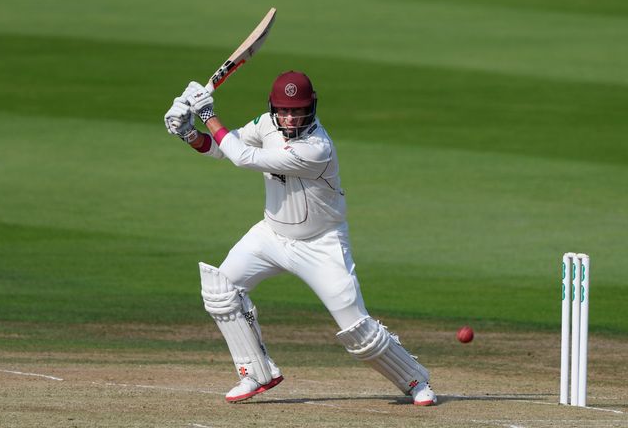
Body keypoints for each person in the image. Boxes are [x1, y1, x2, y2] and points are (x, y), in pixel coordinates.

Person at [163, 71, 437, 406]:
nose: (290, 116)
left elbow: (242, 157)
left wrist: (207, 114)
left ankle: (415, 380)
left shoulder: (316, 148)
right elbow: (223, 147)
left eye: (298, 110)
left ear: (311, 107)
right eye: (284, 109)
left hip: (321, 243)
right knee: (220, 288)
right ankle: (256, 372)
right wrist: (189, 133)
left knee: (358, 332)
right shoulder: (266, 123)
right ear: (274, 108)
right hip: (271, 235)